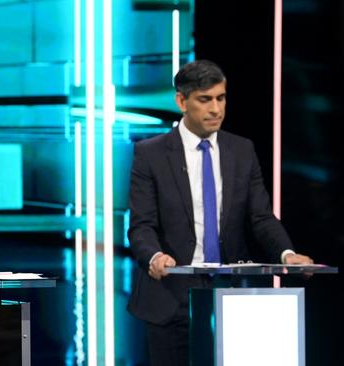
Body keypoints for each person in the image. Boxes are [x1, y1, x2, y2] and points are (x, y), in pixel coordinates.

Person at [126, 59, 314, 366]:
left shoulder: (242, 150)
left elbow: (260, 217)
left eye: (221, 98)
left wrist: (286, 254)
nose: (216, 109)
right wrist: (155, 256)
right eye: (205, 100)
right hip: (170, 296)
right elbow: (141, 225)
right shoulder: (151, 153)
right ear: (181, 101)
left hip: (232, 297)